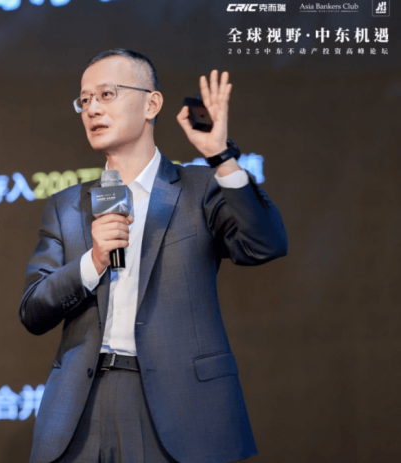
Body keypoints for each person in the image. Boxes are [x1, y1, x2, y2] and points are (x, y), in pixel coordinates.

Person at [18, 49, 288, 463]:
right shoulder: (67, 206)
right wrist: (93, 261)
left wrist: (221, 158)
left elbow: (264, 244)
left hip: (178, 406)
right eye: (84, 100)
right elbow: (33, 310)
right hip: (82, 410)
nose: (92, 109)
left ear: (151, 103)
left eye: (106, 94)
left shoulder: (200, 188)